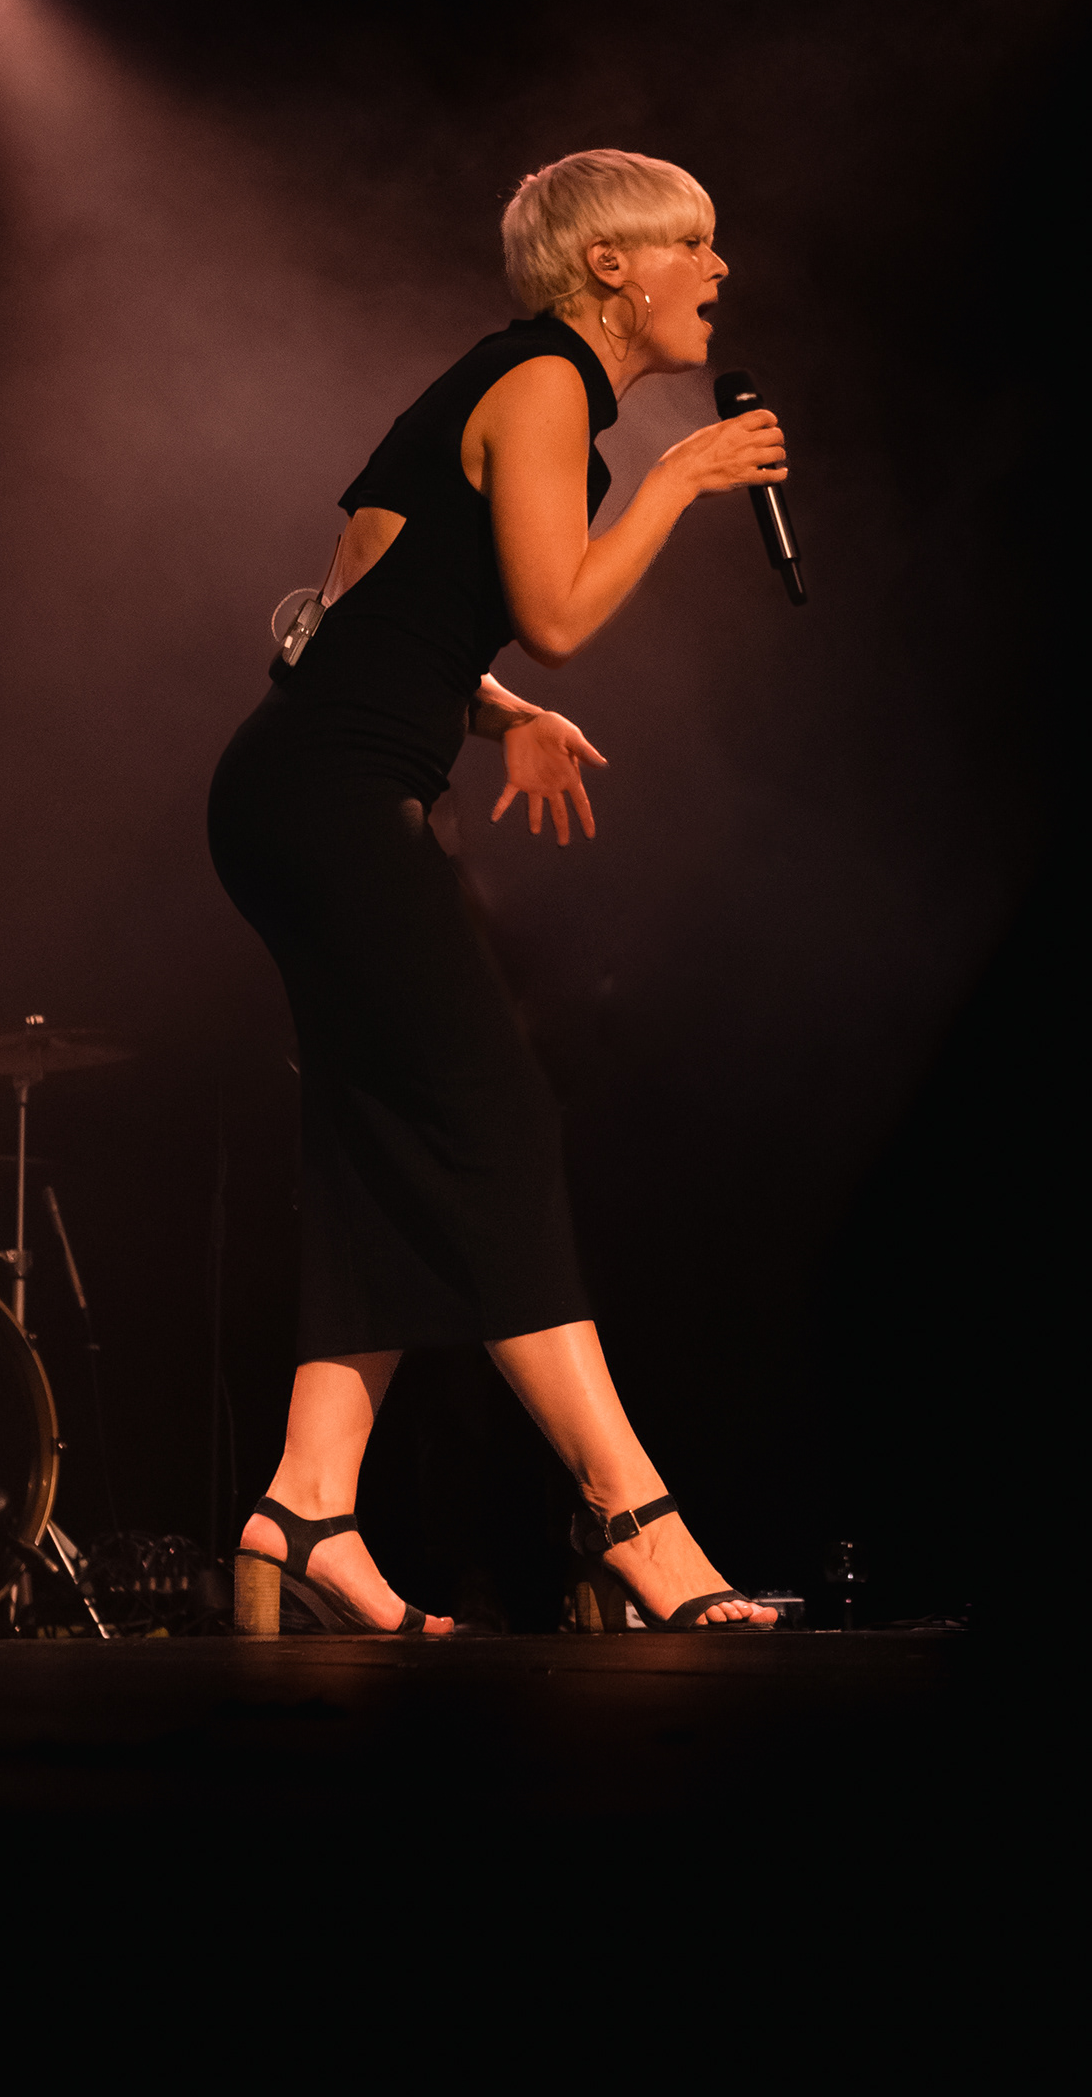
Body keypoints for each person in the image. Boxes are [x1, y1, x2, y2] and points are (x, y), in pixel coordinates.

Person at [207, 149, 788, 1635]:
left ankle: (307, 1507)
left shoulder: (509, 384)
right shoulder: (541, 383)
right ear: (612, 269)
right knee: (496, 1121)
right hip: (329, 801)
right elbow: (560, 616)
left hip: (303, 791)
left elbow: (353, 608)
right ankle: (634, 1520)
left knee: (379, 1139)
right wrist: (679, 477)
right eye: (694, 244)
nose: (719, 270)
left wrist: (501, 713)